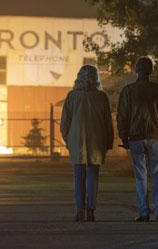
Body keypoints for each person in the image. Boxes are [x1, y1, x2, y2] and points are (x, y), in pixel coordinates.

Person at [117, 56, 158, 222]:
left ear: (136, 70)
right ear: (151, 71)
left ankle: (144, 213)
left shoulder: (128, 91)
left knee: (140, 176)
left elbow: (122, 116)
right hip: (155, 137)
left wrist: (124, 137)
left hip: (135, 137)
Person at [60, 65, 114, 222]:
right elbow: (107, 122)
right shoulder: (101, 97)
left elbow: (65, 123)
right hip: (97, 143)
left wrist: (68, 139)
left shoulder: (72, 96)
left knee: (78, 177)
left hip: (76, 142)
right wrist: (108, 142)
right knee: (93, 177)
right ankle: (91, 210)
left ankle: (79, 210)